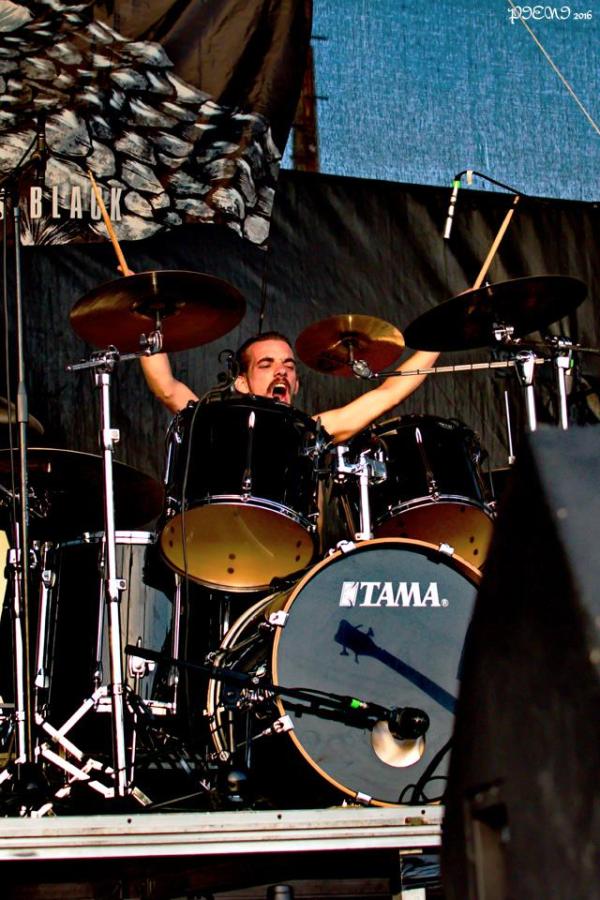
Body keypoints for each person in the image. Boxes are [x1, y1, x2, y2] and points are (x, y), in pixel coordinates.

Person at [141, 331, 439, 443]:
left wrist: (439, 335)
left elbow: (388, 393)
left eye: (288, 365)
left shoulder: (309, 431)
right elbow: (167, 387)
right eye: (266, 364)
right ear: (241, 381)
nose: (281, 371)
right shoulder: (216, 423)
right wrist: (142, 315)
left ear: (296, 384)